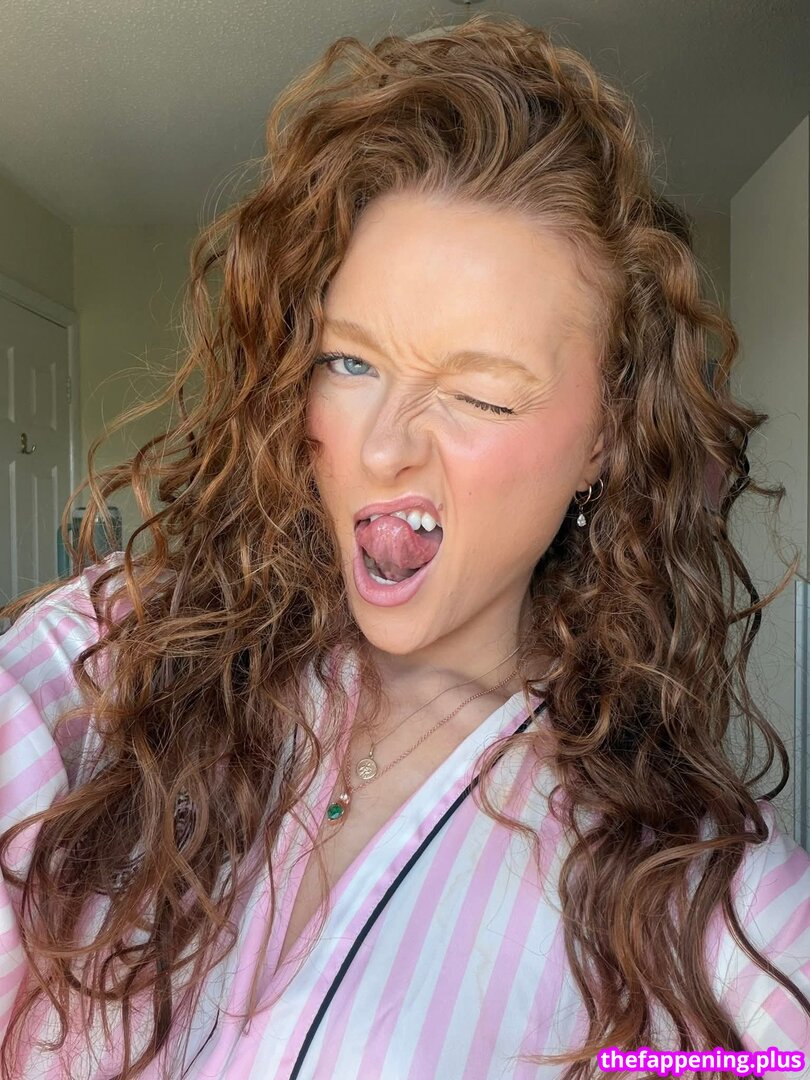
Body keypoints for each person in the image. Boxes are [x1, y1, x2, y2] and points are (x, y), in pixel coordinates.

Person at [0, 14, 808, 1080]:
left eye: (481, 394)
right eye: (350, 363)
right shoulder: (124, 653)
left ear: (605, 440)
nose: (383, 447)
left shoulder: (703, 898)